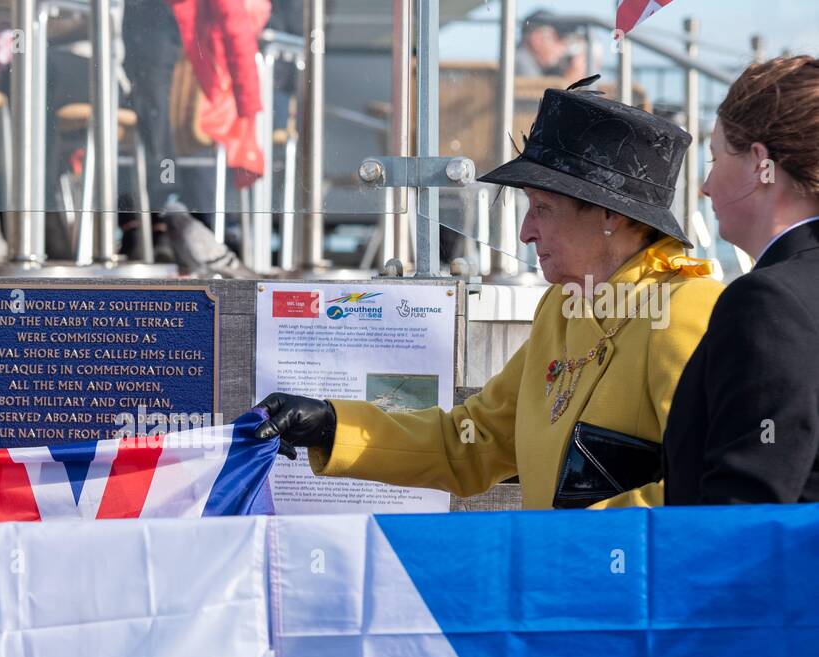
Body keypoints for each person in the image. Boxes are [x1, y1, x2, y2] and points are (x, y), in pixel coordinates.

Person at [256, 78, 723, 510]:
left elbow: (708, 489)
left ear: (610, 217)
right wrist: (332, 426)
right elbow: (471, 442)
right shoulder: (564, 308)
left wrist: (567, 544)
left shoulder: (685, 309)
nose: (525, 232)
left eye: (542, 209)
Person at [664, 56, 819, 505]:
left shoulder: (770, 302)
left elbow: (745, 508)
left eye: (714, 157)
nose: (705, 185)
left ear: (759, 163)